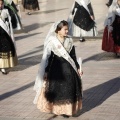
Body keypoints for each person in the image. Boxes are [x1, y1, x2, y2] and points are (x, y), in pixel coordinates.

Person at [33, 20, 83, 118]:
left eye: (67, 29)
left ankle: (66, 110)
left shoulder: (69, 40)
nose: (67, 31)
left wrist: (77, 68)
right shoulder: (53, 42)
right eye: (65, 29)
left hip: (69, 70)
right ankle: (57, 109)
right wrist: (46, 72)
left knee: (69, 90)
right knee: (58, 91)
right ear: (58, 30)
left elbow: (73, 56)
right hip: (56, 70)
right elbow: (49, 58)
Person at [0, 0, 18, 74]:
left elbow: (10, 23)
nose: (0, 5)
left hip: (4, 34)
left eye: (1, 4)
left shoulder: (6, 11)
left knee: (5, 48)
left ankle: (2, 66)